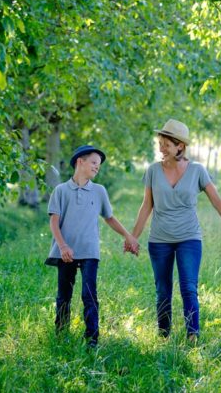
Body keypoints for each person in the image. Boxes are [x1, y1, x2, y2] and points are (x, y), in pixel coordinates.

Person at [131, 119, 221, 342]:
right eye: (160, 143)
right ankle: (163, 335)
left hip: (189, 238)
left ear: (180, 146)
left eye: (166, 144)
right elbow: (147, 205)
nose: (161, 148)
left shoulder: (197, 171)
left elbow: (216, 200)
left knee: (188, 288)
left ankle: (193, 335)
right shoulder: (153, 171)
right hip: (159, 239)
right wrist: (133, 237)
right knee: (162, 290)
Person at [45, 145, 139, 348]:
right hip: (66, 252)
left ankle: (92, 339)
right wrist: (62, 246)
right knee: (64, 296)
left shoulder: (99, 191)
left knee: (89, 294)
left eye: (99, 165)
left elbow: (110, 218)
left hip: (89, 251)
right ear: (80, 161)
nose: (98, 167)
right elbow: (54, 221)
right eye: (94, 163)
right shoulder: (61, 190)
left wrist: (128, 236)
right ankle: (61, 337)